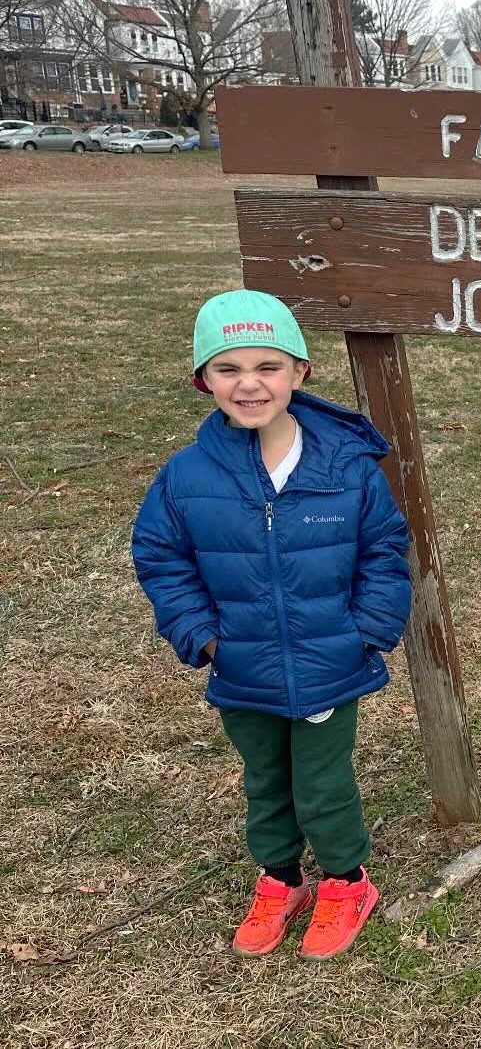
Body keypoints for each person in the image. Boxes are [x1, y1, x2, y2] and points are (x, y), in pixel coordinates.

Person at [132, 289, 411, 960]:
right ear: (205, 380)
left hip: (329, 663)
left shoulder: (347, 471)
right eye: (228, 369)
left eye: (268, 366)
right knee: (265, 779)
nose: (250, 384)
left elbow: (384, 552)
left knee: (322, 783)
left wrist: (366, 632)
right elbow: (160, 557)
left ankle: (347, 881)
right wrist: (203, 637)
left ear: (299, 373)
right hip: (242, 664)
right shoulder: (187, 476)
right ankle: (280, 879)